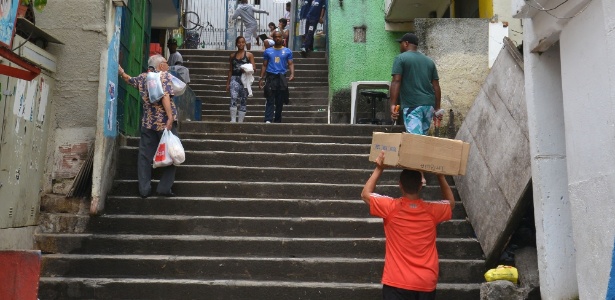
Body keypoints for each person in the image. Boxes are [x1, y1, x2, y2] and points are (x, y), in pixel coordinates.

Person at [361, 151, 454, 300]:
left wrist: (380, 168)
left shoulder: (390, 207)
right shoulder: (432, 211)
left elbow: (365, 194)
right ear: (420, 185)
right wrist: (440, 176)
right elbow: (451, 203)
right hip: (425, 280)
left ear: (400, 186)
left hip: (397, 280)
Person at [118, 55, 177, 198]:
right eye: (165, 63)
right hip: (165, 124)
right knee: (172, 154)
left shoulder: (143, 77)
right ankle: (164, 188)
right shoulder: (164, 76)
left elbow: (128, 79)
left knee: (145, 156)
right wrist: (169, 117)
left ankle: (144, 190)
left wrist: (121, 72)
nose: (168, 65)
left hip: (148, 123)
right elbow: (165, 97)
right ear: (160, 65)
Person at [389, 32, 442, 135]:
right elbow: (436, 86)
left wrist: (392, 104)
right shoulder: (429, 61)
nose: (400, 46)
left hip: (413, 105)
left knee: (415, 140)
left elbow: (396, 81)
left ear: (406, 43)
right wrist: (437, 108)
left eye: (401, 43)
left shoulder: (400, 58)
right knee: (421, 139)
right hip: (429, 106)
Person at [258, 31, 294, 123]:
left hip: (281, 77)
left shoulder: (287, 51)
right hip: (270, 77)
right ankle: (268, 119)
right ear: (273, 38)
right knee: (270, 98)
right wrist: (261, 78)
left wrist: (292, 73)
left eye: (279, 37)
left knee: (280, 100)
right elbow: (264, 65)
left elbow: (290, 63)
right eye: (275, 37)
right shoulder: (268, 51)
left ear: (282, 38)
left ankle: (277, 120)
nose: (277, 38)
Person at [226, 36, 256, 123]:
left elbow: (254, 68)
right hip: (235, 78)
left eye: (243, 42)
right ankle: (233, 119)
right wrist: (227, 83)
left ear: (245, 43)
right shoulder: (232, 56)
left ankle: (240, 121)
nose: (241, 44)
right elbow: (230, 70)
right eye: (239, 42)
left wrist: (246, 69)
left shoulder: (249, 55)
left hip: (245, 79)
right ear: (236, 44)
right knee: (233, 97)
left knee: (243, 99)